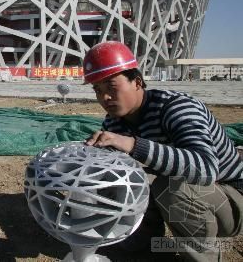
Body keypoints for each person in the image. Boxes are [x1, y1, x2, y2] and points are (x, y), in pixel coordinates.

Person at [83, 41, 243, 262]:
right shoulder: (115, 122)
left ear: (137, 82)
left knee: (171, 189)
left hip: (232, 197)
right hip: (196, 195)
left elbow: (207, 169)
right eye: (98, 90)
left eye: (111, 87)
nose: (105, 98)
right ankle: (145, 251)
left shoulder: (176, 107)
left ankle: (201, 258)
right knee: (123, 180)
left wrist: (132, 144)